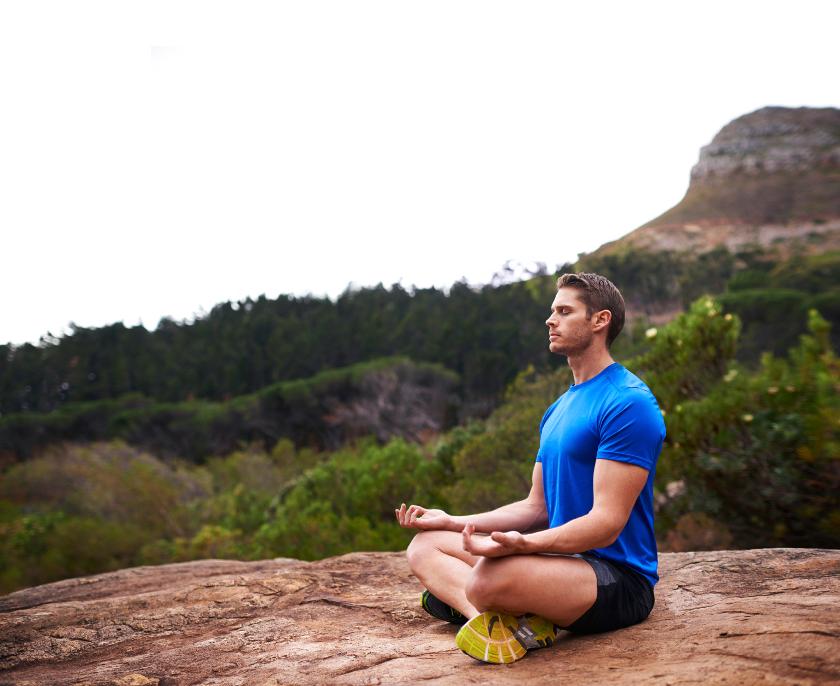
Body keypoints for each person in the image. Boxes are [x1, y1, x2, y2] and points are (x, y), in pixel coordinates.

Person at [395, 272, 666, 664]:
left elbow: (607, 522)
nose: (550, 320)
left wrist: (525, 545)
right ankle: (493, 626)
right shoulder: (558, 409)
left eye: (563, 311)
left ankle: (493, 608)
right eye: (551, 311)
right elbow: (535, 507)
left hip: (616, 579)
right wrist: (451, 521)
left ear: (599, 321)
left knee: (489, 576)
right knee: (425, 545)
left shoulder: (627, 403)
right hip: (560, 564)